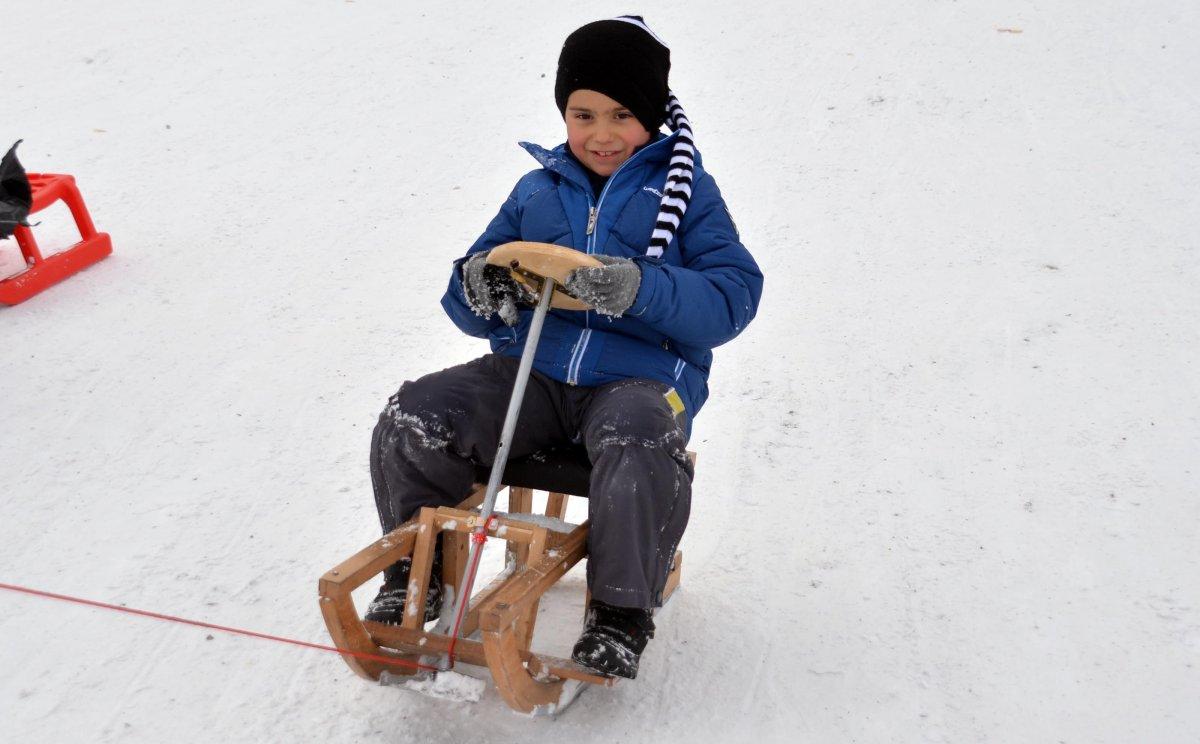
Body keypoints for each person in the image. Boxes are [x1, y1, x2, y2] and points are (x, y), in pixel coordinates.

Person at [366, 15, 763, 680]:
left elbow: (731, 297)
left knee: (637, 433)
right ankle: (418, 569)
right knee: (419, 412)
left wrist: (637, 288)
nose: (601, 135)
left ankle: (618, 613)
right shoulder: (538, 190)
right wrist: (481, 281)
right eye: (583, 114)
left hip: (637, 381)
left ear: (652, 117)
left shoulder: (685, 190)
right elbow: (470, 293)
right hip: (533, 374)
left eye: (621, 115)